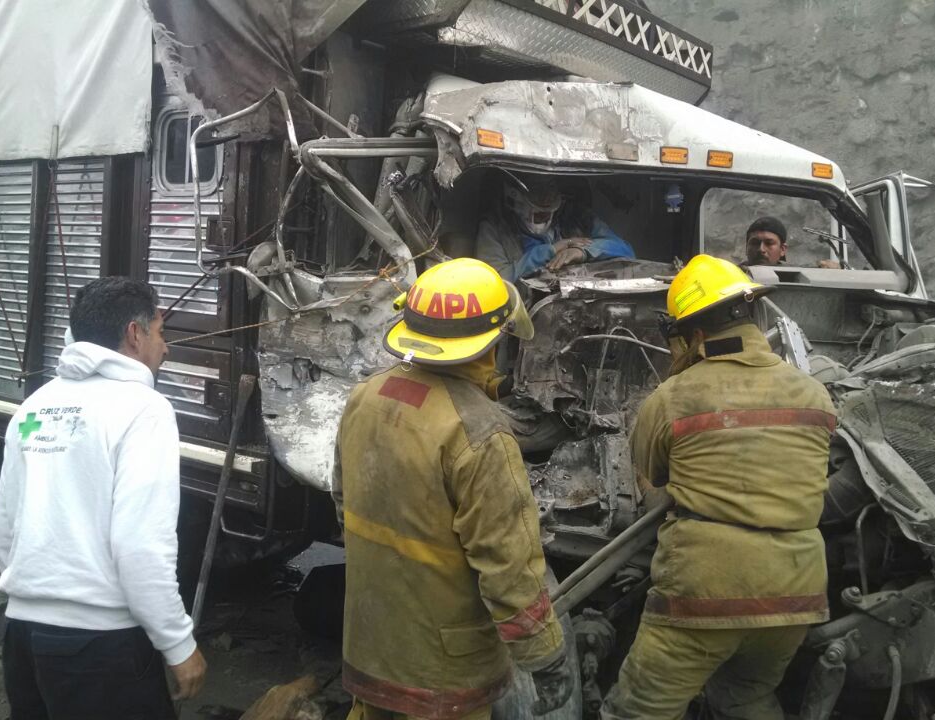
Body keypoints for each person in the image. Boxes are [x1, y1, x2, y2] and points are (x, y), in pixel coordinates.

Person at [333, 257, 572, 720]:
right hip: (444, 671)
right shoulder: (479, 433)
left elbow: (344, 505)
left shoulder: (364, 397)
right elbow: (509, 567)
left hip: (370, 645)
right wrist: (545, 658)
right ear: (492, 342)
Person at [602, 255, 836, 720]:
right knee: (744, 699)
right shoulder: (814, 393)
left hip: (704, 594)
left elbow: (653, 475)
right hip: (797, 596)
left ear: (693, 336)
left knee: (637, 711)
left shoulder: (672, 398)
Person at [0, 277, 205, 719]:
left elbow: (6, 527)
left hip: (21, 639)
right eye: (160, 332)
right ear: (135, 334)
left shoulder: (35, 406)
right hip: (100, 648)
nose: (165, 348)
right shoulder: (143, 409)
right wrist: (178, 643)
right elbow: (140, 544)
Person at [477, 176, 634, 282]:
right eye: (539, 215)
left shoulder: (576, 217)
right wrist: (549, 251)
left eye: (549, 213)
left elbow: (625, 249)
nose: (545, 219)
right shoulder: (494, 228)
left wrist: (582, 252)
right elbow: (492, 282)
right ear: (517, 203)